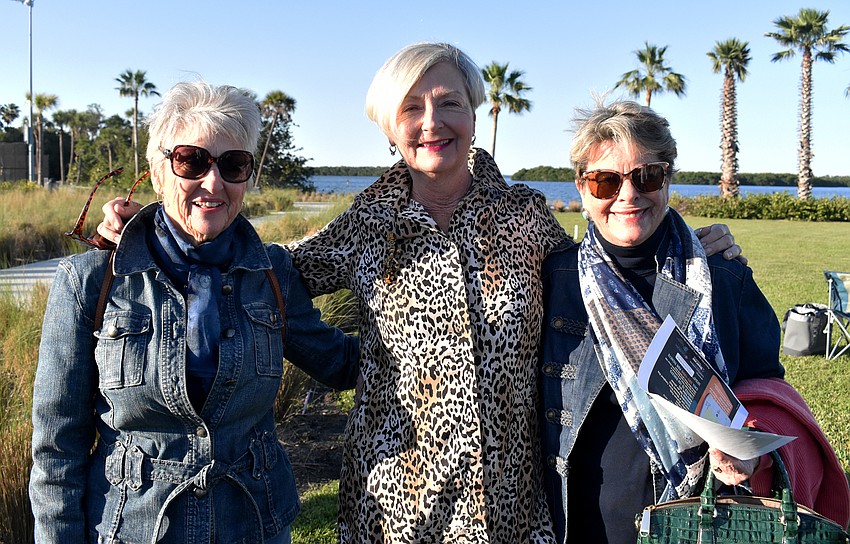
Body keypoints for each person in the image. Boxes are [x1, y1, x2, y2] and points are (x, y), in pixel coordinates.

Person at [95, 44, 742, 542]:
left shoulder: (524, 218)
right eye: (412, 107)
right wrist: (147, 232)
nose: (432, 122)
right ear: (390, 127)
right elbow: (263, 268)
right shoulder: (365, 224)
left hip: (507, 505)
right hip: (393, 507)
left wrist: (677, 244)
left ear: (475, 111)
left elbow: (604, 288)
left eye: (449, 102)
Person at [29, 81, 360, 544]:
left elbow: (343, 363)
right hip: (132, 530)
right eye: (192, 160)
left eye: (233, 164)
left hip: (253, 527)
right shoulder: (90, 282)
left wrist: (437, 321)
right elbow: (56, 447)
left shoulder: (272, 275)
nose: (213, 181)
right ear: (159, 171)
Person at [538, 99, 786, 544]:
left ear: (667, 177)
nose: (628, 195)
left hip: (694, 523)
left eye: (647, 175)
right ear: (581, 188)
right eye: (605, 180)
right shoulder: (554, 277)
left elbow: (768, 385)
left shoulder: (723, 276)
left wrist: (750, 449)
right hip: (578, 525)